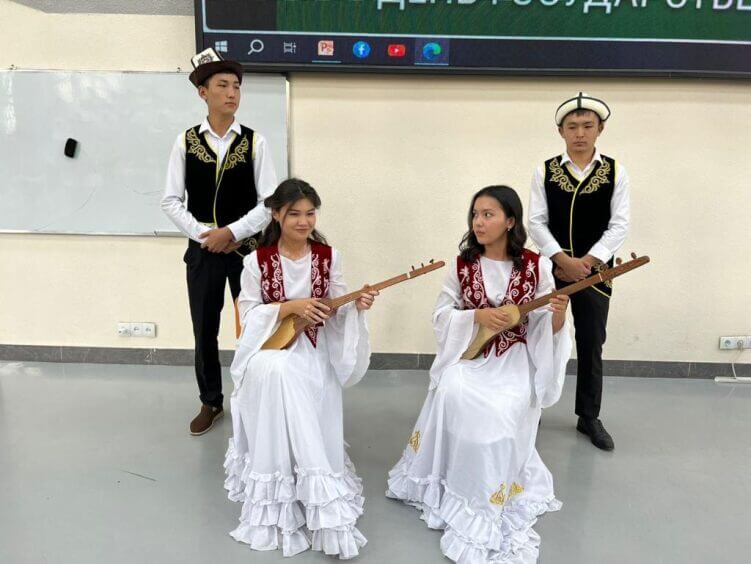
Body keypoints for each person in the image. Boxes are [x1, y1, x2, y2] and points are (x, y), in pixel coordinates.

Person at [387, 185, 572, 563]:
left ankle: (485, 490)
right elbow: (441, 316)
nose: (479, 222)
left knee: (499, 414)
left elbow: (545, 328)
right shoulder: (462, 266)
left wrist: (558, 314)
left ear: (510, 221)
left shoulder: (536, 267)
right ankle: (454, 479)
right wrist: (477, 316)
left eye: (488, 214)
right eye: (475, 214)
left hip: (514, 360)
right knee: (451, 388)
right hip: (471, 357)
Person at [224, 178, 379, 559]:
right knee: (277, 370)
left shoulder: (329, 257)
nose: (304, 221)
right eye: (294, 213)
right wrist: (290, 308)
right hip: (268, 347)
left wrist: (356, 305)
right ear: (276, 215)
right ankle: (295, 477)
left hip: (314, 348)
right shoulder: (255, 262)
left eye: (310, 213)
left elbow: (336, 307)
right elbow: (249, 315)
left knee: (289, 372)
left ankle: (312, 478)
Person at [161, 48, 278, 435]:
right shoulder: (185, 142)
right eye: (223, 85)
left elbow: (270, 203)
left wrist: (232, 232)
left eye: (237, 86)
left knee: (257, 325)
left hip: (248, 252)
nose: (232, 93)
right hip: (203, 252)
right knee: (205, 327)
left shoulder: (255, 142)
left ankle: (256, 398)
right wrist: (206, 236)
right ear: (203, 92)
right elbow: (171, 200)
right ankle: (210, 401)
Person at [528, 92, 630, 451]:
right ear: (561, 131)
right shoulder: (545, 170)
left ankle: (589, 416)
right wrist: (562, 259)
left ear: (600, 129)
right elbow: (536, 222)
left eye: (587, 126)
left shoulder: (615, 172)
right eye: (572, 126)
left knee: (591, 341)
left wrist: (587, 262)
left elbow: (619, 225)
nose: (580, 133)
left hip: (596, 273)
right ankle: (532, 406)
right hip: (551, 268)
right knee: (540, 337)